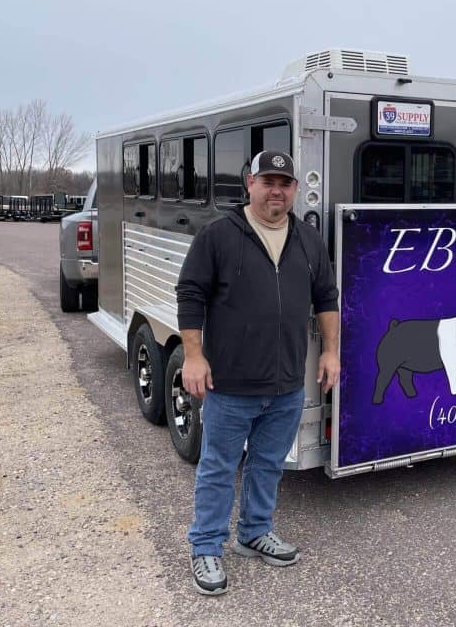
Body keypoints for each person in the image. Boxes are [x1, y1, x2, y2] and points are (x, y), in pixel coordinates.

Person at [175, 149, 340, 596]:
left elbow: (327, 297)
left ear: (294, 190)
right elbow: (190, 294)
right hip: (229, 382)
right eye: (268, 181)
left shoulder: (307, 239)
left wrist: (331, 353)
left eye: (285, 184)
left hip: (286, 382)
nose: (276, 191)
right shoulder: (219, 236)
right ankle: (206, 546)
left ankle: (254, 531)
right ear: (249, 183)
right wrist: (193, 356)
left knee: (267, 464)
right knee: (218, 467)